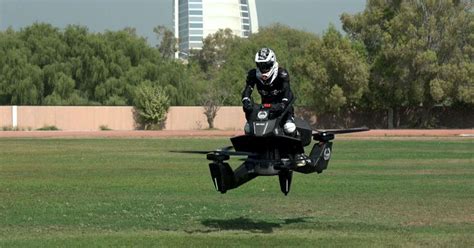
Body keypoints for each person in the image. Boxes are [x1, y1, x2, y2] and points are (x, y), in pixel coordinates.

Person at [241, 47, 296, 135]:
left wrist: (283, 104)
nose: (264, 69)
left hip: (283, 108)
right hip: (265, 109)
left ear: (272, 63)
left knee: (289, 128)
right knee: (249, 128)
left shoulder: (282, 74)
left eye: (266, 65)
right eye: (261, 65)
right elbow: (247, 90)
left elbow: (287, 92)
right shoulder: (253, 75)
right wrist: (246, 100)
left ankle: (295, 142)